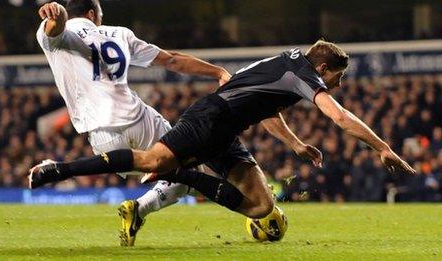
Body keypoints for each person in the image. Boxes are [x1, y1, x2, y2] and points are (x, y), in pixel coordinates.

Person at [29, 39, 416, 228]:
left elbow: (267, 111)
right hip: (211, 118)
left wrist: (296, 144)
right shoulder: (304, 74)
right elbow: (341, 117)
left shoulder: (289, 66)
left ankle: (180, 174)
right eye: (339, 76)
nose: (338, 84)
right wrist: (381, 147)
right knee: (151, 160)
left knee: (260, 206)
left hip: (227, 130)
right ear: (325, 66)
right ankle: (57, 170)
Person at [32, 0, 231, 246]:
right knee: (187, 175)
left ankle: (145, 199)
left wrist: (57, 13)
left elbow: (55, 27)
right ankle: (141, 208)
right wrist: (218, 72)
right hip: (140, 120)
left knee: (180, 174)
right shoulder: (120, 34)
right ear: (92, 13)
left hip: (104, 137)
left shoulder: (56, 36)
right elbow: (171, 60)